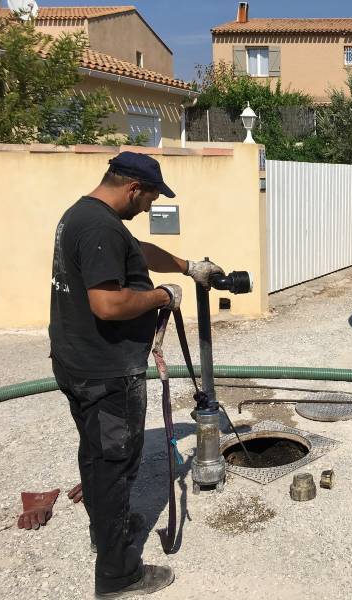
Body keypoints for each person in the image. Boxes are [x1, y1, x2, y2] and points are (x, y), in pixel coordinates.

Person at [48, 152, 224, 598]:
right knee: (113, 465)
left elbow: (136, 252)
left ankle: (106, 529)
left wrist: (186, 266)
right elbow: (108, 304)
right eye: (148, 198)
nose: (148, 207)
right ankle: (118, 574)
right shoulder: (100, 226)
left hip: (77, 361)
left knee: (95, 454)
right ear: (132, 188)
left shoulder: (84, 215)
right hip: (106, 372)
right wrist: (162, 295)